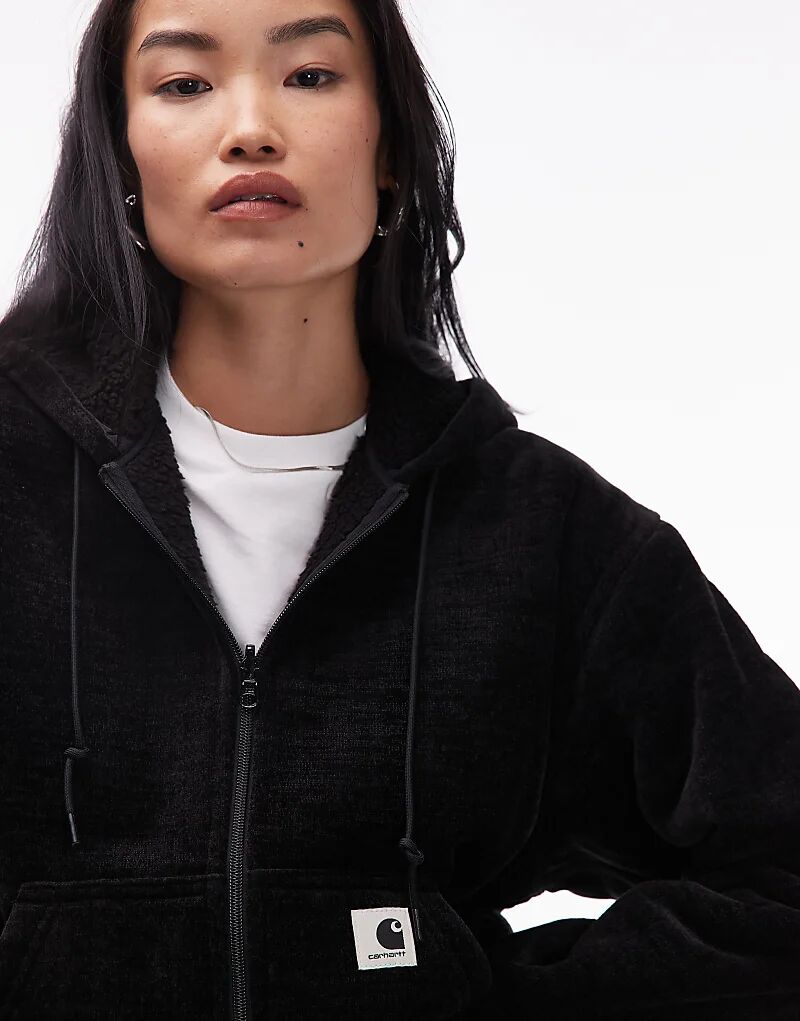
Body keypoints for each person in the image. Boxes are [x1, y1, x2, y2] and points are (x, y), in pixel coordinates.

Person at [0, 0, 798, 1018]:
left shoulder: (538, 532)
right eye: (185, 84)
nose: (250, 127)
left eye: (310, 75)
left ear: (390, 150)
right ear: (119, 153)